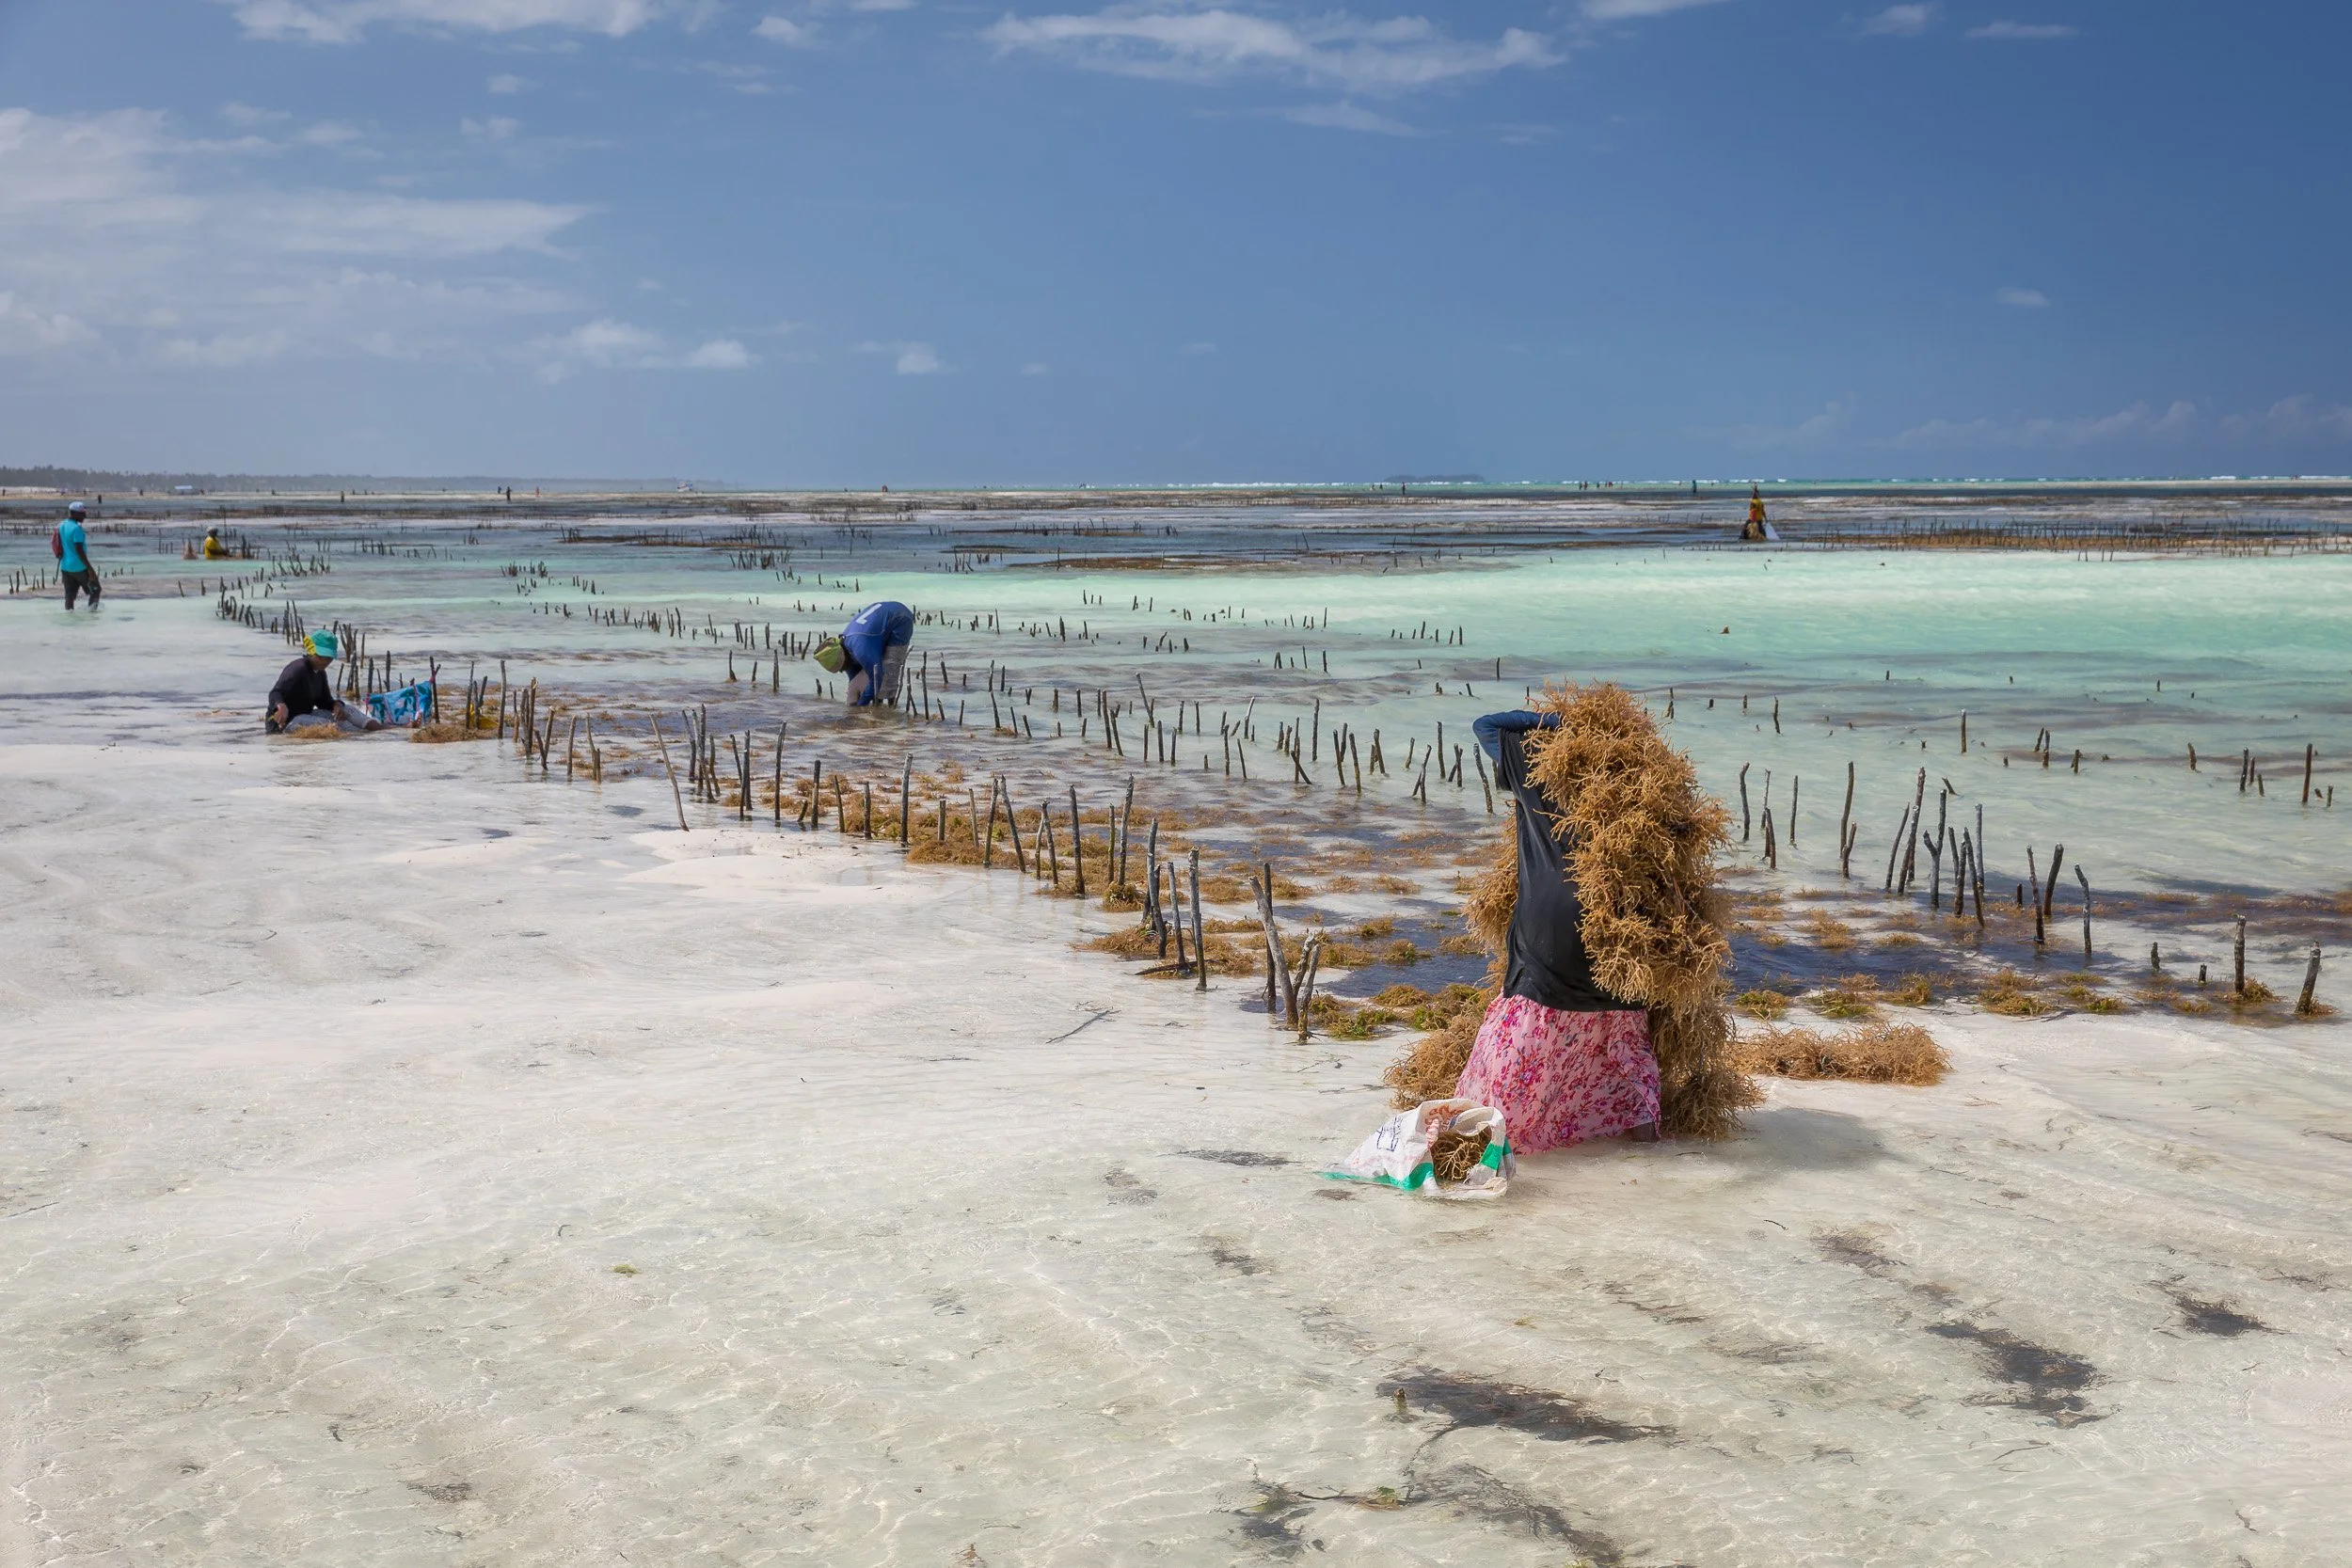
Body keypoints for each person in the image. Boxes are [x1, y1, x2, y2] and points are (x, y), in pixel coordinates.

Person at [1461, 709, 1661, 1149]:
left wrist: (1556, 720)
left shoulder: (1538, 770)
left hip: (1549, 926)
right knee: (1618, 1033)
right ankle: (1640, 1145)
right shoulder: (1637, 789)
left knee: (1526, 1036)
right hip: (1617, 930)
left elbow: (1486, 725)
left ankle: (1505, 1134)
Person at [267, 631, 380, 735]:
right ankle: (362, 735)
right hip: (288, 723)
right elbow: (275, 692)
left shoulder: (320, 673)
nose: (325, 661)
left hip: (308, 715)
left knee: (347, 709)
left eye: (328, 658)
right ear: (312, 652)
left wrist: (336, 705)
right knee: (329, 726)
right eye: (321, 657)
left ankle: (378, 728)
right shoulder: (298, 668)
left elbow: (324, 702)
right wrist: (280, 705)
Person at [814, 600, 914, 707]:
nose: (842, 671)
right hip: (880, 621)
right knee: (873, 674)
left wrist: (861, 705)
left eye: (840, 667)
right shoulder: (845, 647)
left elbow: (876, 677)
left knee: (889, 668)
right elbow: (855, 679)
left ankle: (890, 707)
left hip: (899, 619)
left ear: (842, 658)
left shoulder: (861, 651)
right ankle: (879, 705)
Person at [54, 501, 100, 610]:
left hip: (65, 567)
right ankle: (92, 616)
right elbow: (79, 550)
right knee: (96, 590)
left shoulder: (62, 525)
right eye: (82, 513)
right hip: (79, 567)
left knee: (69, 596)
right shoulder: (76, 528)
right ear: (74, 513)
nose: (85, 516)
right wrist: (90, 569)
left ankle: (70, 620)